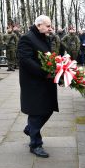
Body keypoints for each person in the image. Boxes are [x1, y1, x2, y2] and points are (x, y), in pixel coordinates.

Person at [17, 15, 58, 158]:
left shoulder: (44, 37)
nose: (50, 28)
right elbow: (26, 60)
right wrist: (43, 73)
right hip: (33, 83)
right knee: (36, 113)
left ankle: (30, 129)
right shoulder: (26, 38)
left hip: (45, 82)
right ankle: (35, 144)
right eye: (48, 26)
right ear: (39, 25)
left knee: (48, 110)